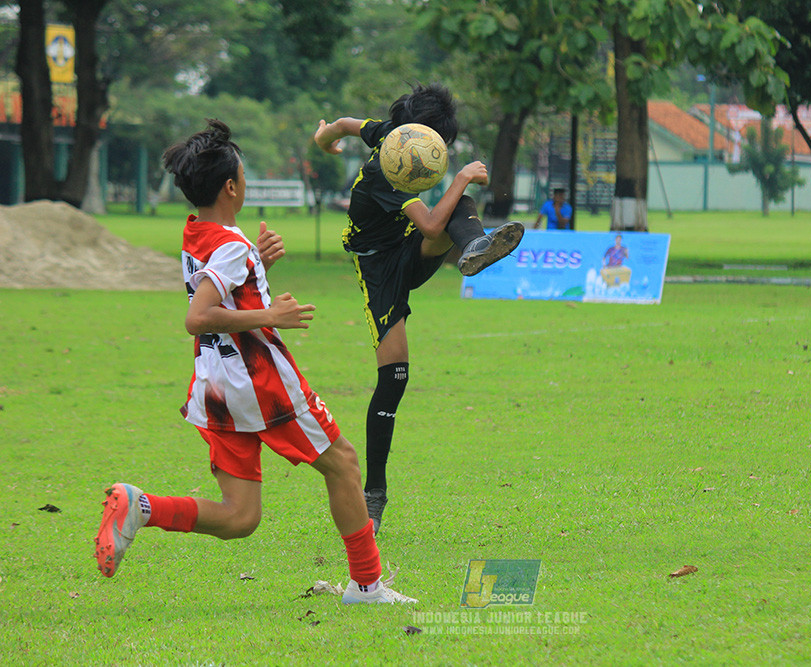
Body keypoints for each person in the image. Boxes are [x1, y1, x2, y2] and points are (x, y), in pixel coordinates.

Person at [93, 119, 415, 604]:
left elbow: (218, 285)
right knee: (345, 464)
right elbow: (197, 316)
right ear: (232, 186)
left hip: (216, 386)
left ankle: (140, 507)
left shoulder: (199, 233)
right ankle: (367, 585)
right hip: (259, 382)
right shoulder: (230, 245)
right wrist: (272, 313)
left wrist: (255, 267)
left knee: (240, 518)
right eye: (241, 174)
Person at [313, 84, 524, 535]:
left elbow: (351, 125)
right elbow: (429, 222)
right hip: (380, 270)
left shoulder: (391, 131)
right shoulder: (386, 171)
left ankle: (475, 247)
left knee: (457, 209)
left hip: (411, 246)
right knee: (395, 377)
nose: (433, 151)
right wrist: (462, 176)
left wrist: (324, 138)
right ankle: (374, 494)